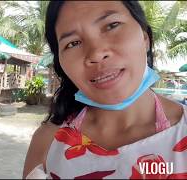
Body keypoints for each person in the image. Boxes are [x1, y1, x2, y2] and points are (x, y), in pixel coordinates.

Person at [23, 1, 187, 179]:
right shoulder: (47, 143)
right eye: (73, 43)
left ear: (145, 37)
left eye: (112, 25)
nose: (96, 54)